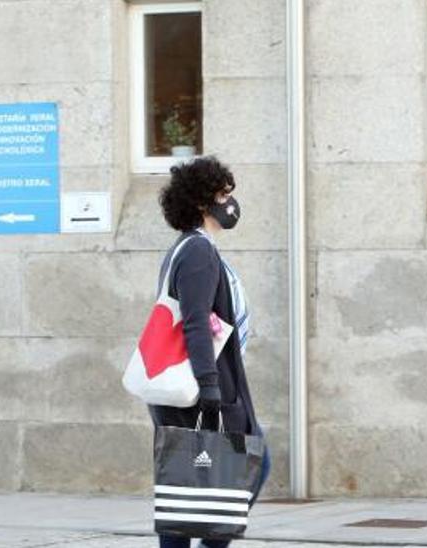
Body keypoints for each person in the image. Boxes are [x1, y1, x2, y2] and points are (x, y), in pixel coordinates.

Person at [151, 157, 270, 548]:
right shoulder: (198, 251)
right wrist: (210, 386)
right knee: (250, 465)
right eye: (223, 194)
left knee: (184, 485)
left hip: (195, 386)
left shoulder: (188, 248)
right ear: (204, 202)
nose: (230, 203)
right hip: (204, 389)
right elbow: (196, 322)